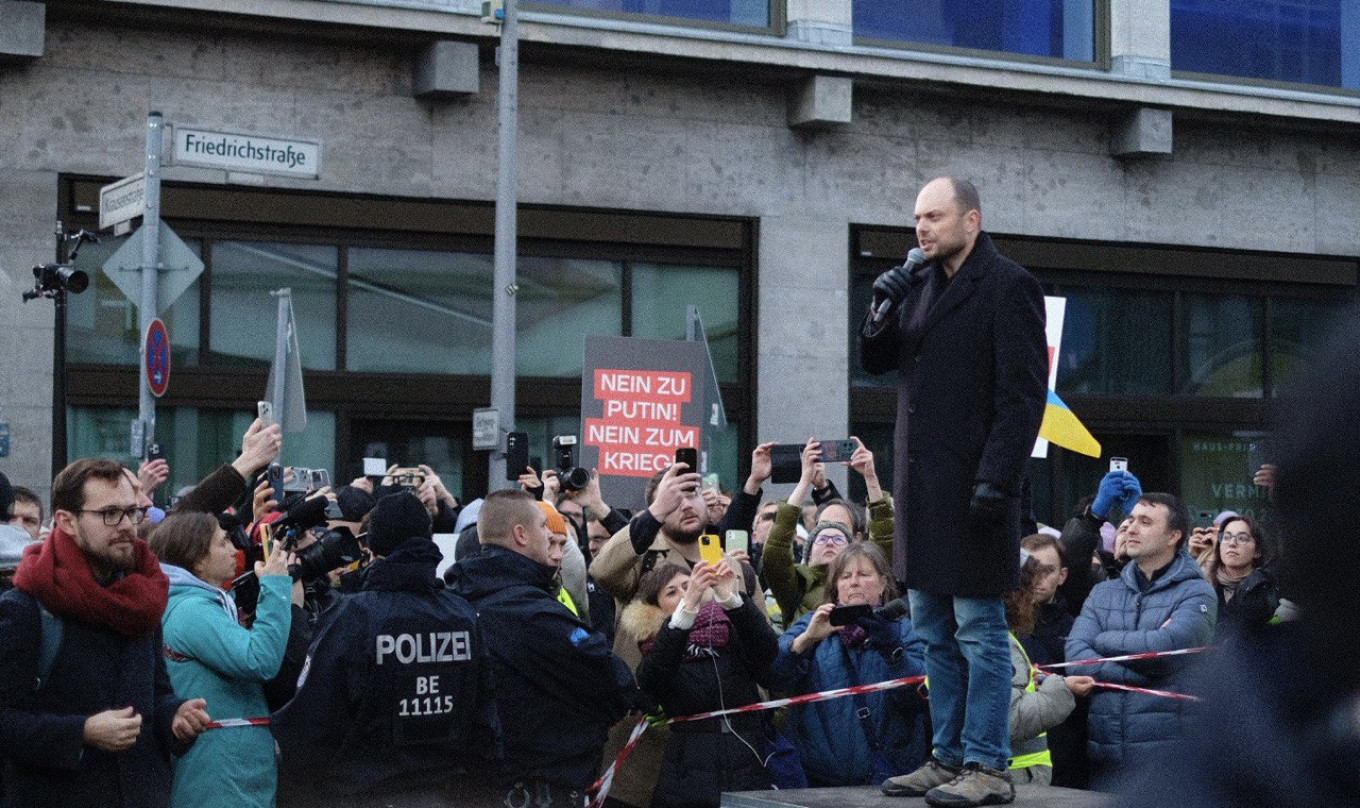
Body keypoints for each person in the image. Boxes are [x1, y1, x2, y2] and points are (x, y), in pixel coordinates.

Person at [863, 177, 1047, 807]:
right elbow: (876, 359)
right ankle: (946, 757)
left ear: (972, 219)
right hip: (921, 492)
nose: (921, 228)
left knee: (978, 629)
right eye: (916, 217)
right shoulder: (916, 283)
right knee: (932, 630)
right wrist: (880, 307)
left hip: (976, 493)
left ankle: (988, 766)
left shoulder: (1008, 285)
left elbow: (1022, 395)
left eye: (934, 217)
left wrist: (999, 477)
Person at [0, 458, 210, 808]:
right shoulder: (27, 609)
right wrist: (82, 732)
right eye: (110, 514)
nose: (127, 525)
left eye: (132, 512)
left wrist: (176, 717)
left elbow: (156, 694)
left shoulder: (141, 598)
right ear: (67, 521)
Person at [271, 492, 498, 806]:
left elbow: (309, 728)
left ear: (370, 547)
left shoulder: (354, 616)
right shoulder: (462, 615)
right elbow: (485, 725)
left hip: (364, 794)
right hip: (443, 794)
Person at [454, 489, 635, 807]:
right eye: (543, 528)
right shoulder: (534, 613)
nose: (551, 539)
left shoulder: (456, 602)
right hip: (536, 789)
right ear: (521, 535)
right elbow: (615, 682)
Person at [1065, 492, 1216, 790]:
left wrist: (1102, 642)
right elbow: (1076, 660)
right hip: (1105, 754)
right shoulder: (1104, 593)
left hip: (1170, 759)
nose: (1131, 528)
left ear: (1174, 535)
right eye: (1131, 519)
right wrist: (1148, 664)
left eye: (1145, 521)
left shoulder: (1196, 593)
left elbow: (1168, 651)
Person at [149, 512, 296, 808]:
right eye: (223, 542)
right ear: (198, 560)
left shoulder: (197, 602)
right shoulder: (193, 609)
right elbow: (259, 659)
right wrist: (277, 586)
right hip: (219, 776)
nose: (234, 549)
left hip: (227, 770)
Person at [625, 559, 779, 807]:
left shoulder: (730, 630)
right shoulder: (658, 647)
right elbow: (653, 678)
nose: (686, 593)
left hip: (747, 762)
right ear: (657, 608)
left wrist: (732, 599)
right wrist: (686, 610)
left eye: (689, 585)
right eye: (672, 592)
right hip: (689, 774)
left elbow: (767, 650)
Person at [772, 543, 928, 787]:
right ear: (835, 586)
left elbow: (920, 698)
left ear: (884, 582)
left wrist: (893, 650)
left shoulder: (907, 629)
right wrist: (807, 639)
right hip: (817, 782)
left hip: (890, 779)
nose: (853, 582)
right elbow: (774, 676)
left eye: (864, 574)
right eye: (845, 576)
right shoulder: (811, 624)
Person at [764, 438, 894, 624]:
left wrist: (870, 477)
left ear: (855, 542)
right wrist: (804, 480)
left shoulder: (870, 576)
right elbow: (775, 550)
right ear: (809, 547)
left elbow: (884, 536)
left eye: (839, 536)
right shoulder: (796, 586)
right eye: (822, 535)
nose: (830, 540)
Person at [1002, 550, 1089, 787]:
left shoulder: (980, 636)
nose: (1032, 599)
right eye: (1027, 590)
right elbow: (1010, 718)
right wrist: (1059, 688)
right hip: (1015, 776)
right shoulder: (1000, 644)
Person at [1203, 515, 1279, 637]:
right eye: (1226, 537)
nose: (1232, 543)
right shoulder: (1204, 584)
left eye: (1242, 538)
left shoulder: (1264, 588)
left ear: (1257, 551)